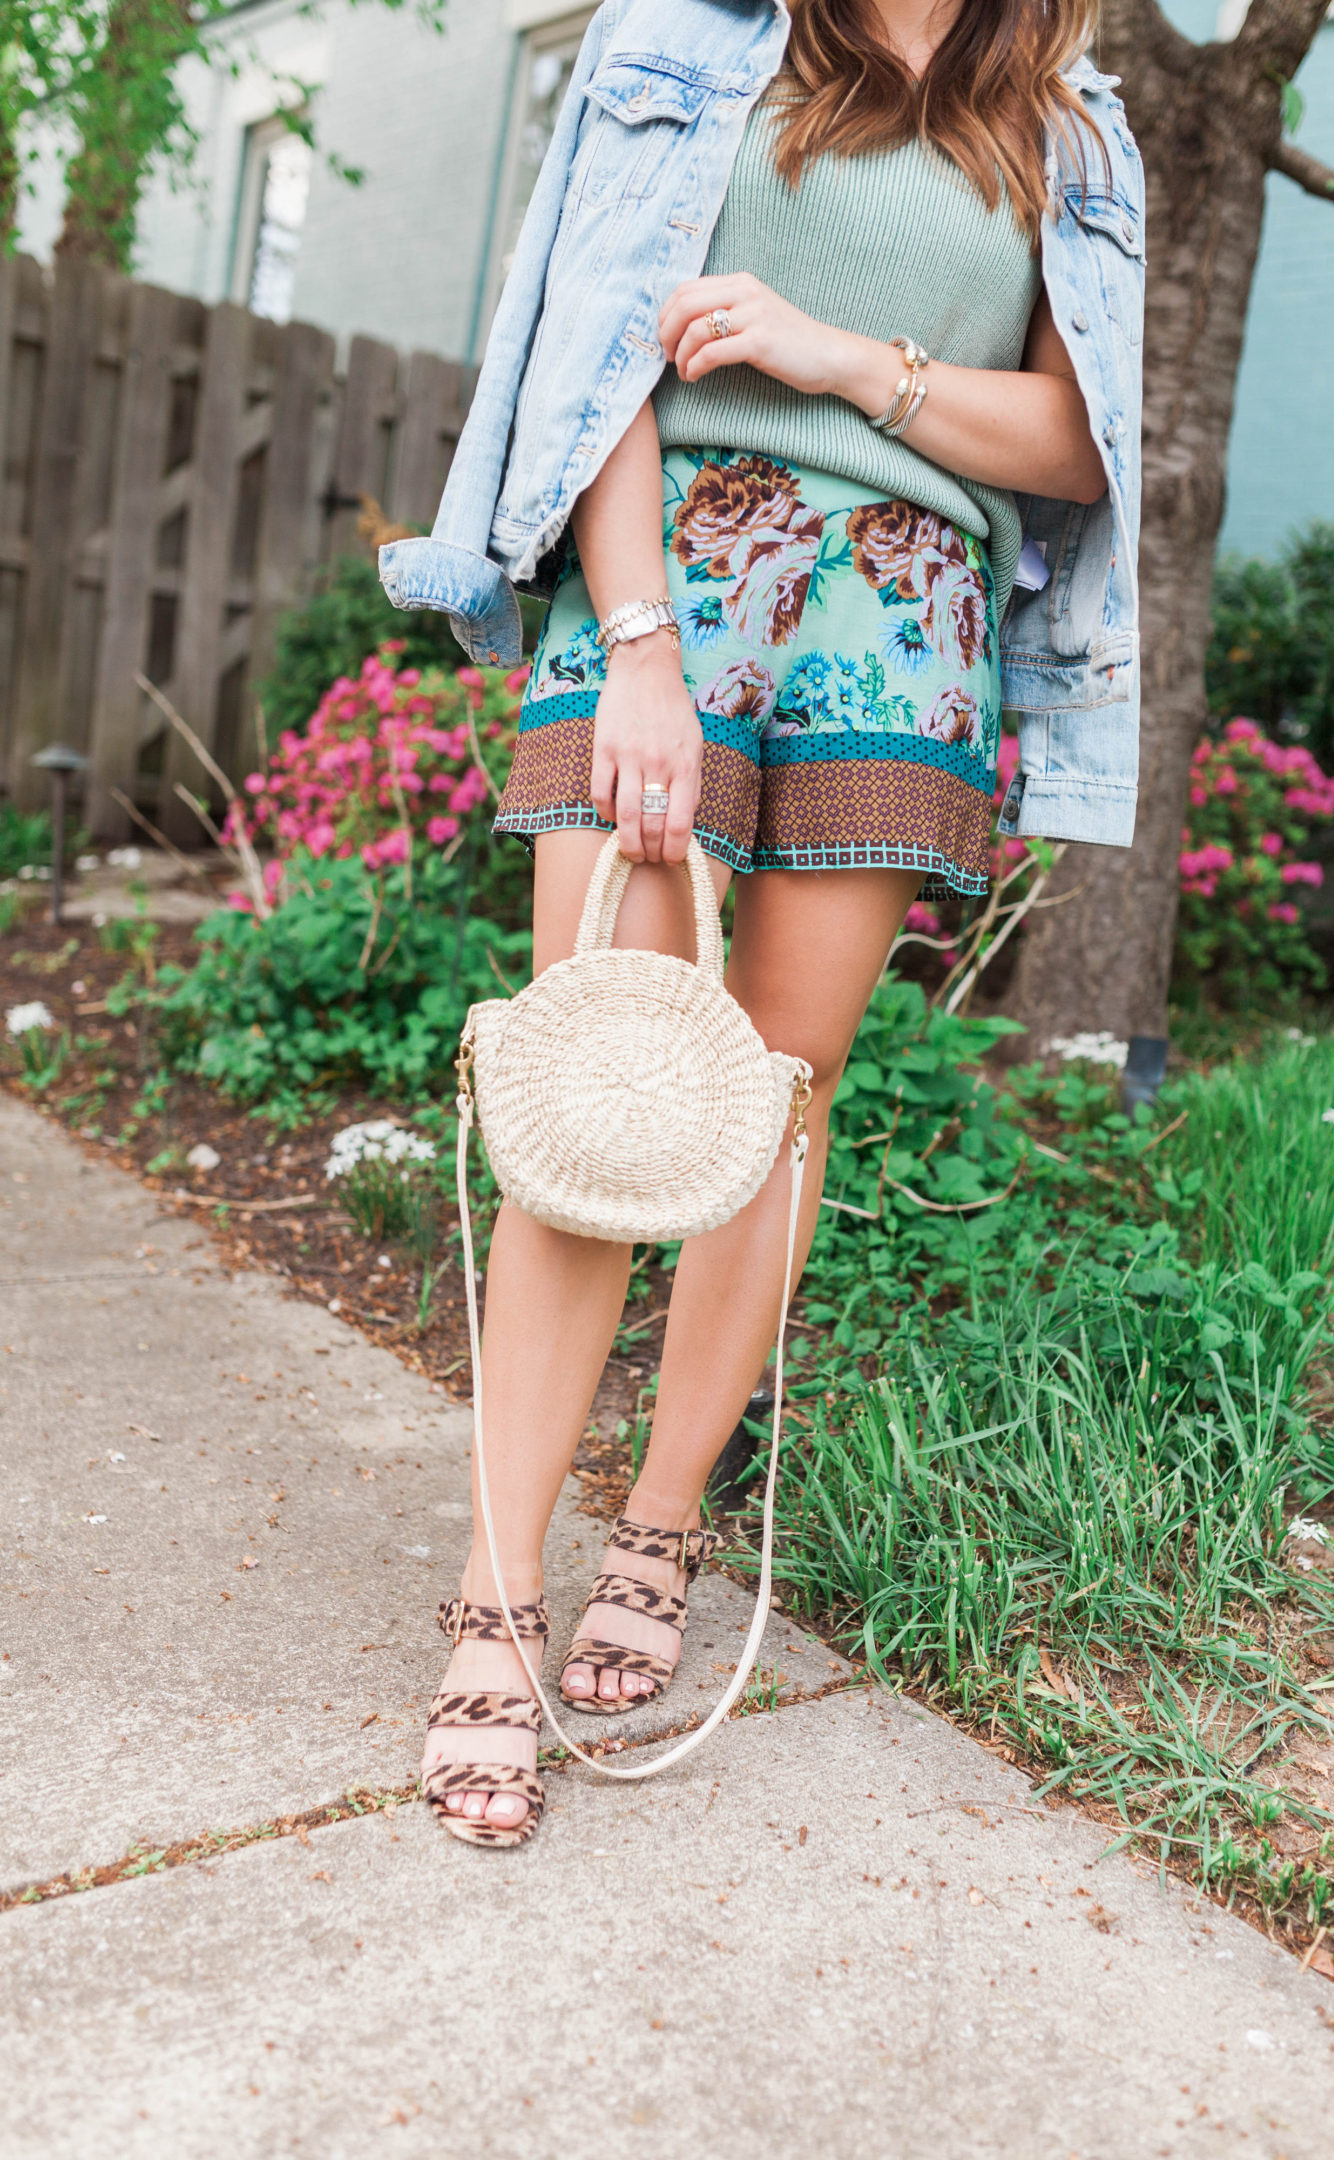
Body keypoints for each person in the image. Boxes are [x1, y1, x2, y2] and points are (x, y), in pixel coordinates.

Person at [380, 0, 1144, 1846]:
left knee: (772, 1097)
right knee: (595, 1094)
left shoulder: (1073, 121)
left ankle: (658, 1527)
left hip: (904, 614)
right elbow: (598, 351)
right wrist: (635, 639)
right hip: (675, 579)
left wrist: (839, 358)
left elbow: (1071, 435)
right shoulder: (684, 43)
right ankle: (495, 1600)